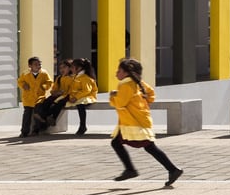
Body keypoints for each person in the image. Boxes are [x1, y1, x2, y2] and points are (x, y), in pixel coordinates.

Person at [108, 58, 183, 187]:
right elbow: (151, 94)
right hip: (138, 119)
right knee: (136, 145)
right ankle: (169, 170)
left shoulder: (125, 85)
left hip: (132, 122)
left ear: (126, 72)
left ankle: (169, 169)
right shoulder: (138, 82)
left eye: (119, 70)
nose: (116, 73)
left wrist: (113, 96)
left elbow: (120, 104)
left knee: (147, 146)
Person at [16, 56, 51, 138]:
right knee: (27, 115)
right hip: (28, 98)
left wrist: (44, 86)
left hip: (39, 97)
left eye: (39, 64)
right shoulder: (25, 74)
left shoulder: (44, 73)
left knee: (37, 113)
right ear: (30, 66)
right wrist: (24, 85)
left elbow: (49, 82)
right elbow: (20, 81)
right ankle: (24, 131)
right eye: (36, 64)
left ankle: (36, 130)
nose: (38, 66)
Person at [67, 58, 98, 135]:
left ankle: (82, 125)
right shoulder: (76, 76)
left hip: (88, 96)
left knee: (80, 105)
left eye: (73, 67)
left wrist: (76, 97)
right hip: (80, 96)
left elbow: (86, 90)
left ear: (79, 68)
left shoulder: (85, 77)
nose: (71, 69)